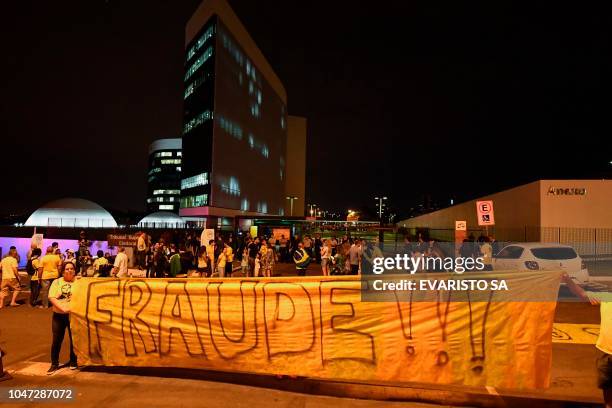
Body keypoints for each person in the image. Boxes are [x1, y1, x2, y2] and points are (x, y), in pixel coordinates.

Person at [562, 273, 612, 407]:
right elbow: (582, 294)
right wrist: (567, 280)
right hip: (606, 354)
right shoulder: (607, 298)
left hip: (606, 355)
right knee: (607, 392)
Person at [47, 262, 77, 374]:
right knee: (56, 340)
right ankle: (54, 363)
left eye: (72, 269)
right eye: (67, 269)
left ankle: (73, 361)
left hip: (73, 316)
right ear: (63, 271)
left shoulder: (79, 282)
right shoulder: (57, 282)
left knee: (74, 340)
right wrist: (63, 308)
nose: (69, 271)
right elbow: (52, 297)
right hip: (58, 316)